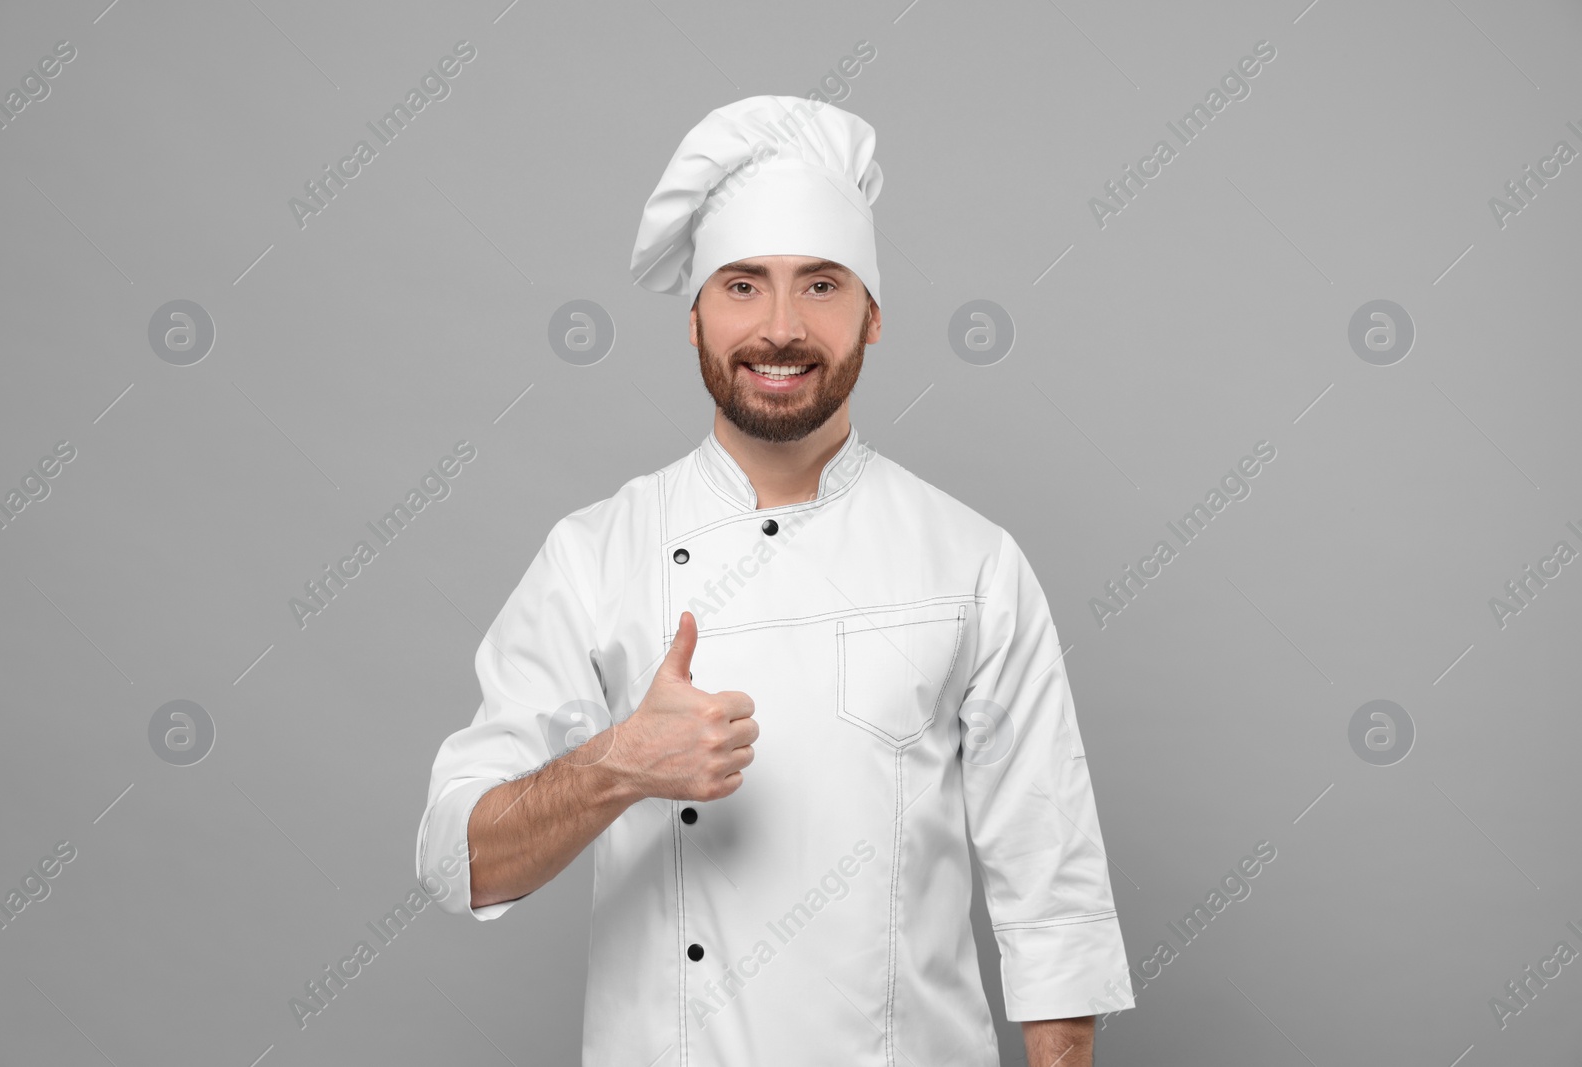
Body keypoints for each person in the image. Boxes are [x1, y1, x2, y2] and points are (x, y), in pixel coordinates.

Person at [416, 94, 1133, 1066]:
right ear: (696, 316)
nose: (782, 328)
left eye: (822, 285)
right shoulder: (594, 555)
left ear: (873, 314)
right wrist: (620, 761)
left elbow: (1053, 901)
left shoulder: (971, 561)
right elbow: (460, 857)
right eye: (744, 285)